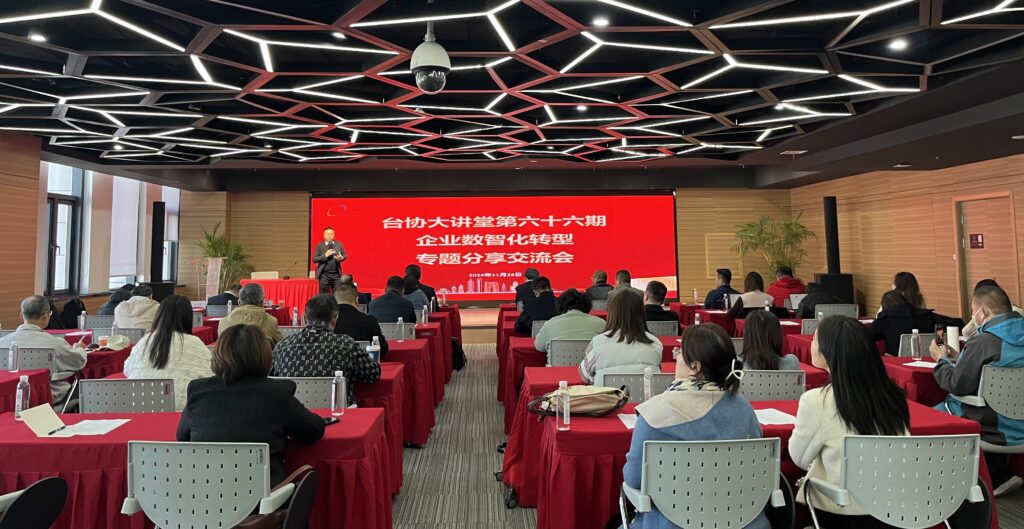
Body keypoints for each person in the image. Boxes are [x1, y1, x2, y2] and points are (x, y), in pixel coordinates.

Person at [622, 323, 767, 529]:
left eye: (680, 352)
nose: (675, 356)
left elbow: (633, 479)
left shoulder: (654, 412)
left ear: (695, 367)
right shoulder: (744, 408)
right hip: (742, 521)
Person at [790, 316, 910, 528]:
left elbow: (799, 458)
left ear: (829, 353)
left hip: (838, 513)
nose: (811, 343)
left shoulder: (816, 401)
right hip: (891, 511)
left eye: (815, 339)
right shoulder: (893, 396)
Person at [177, 324, 326, 486]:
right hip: (266, 497)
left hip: (206, 495)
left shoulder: (199, 391)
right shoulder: (277, 393)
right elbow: (313, 431)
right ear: (264, 355)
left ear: (218, 354)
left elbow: (182, 437)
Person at [930, 285, 1024, 496]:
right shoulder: (986, 343)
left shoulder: (983, 342)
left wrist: (941, 360)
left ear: (983, 312)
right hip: (1019, 424)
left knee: (932, 415)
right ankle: (1000, 474)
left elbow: (956, 384)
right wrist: (963, 359)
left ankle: (945, 486)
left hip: (994, 427)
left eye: (973, 312)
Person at [273, 295, 380, 405]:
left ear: (304, 318)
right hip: (337, 413)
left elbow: (269, 378)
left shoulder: (282, 346)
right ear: (335, 319)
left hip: (291, 413)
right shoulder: (346, 344)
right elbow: (373, 374)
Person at [124, 295, 214, 410]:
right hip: (182, 407)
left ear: (159, 315)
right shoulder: (194, 342)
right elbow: (211, 373)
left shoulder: (144, 341)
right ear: (188, 318)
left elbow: (127, 370)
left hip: (138, 404)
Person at [0, 296, 88, 404]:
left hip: (10, 399)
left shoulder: (2, 342)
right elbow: (78, 361)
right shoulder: (54, 343)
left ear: (21, 316)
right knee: (83, 390)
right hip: (49, 396)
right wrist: (79, 349)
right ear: (46, 315)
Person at [579, 290, 662, 385]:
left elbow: (585, 375)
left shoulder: (597, 342)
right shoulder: (655, 343)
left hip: (607, 394)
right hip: (645, 395)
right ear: (641, 313)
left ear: (612, 313)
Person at [869, 290, 962, 356]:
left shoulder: (884, 320)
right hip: (929, 359)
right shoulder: (925, 315)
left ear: (884, 306)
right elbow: (958, 323)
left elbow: (866, 336)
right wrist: (939, 337)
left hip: (897, 362)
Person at [533, 288, 605, 353]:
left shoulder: (550, 324)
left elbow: (539, 346)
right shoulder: (601, 323)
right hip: (592, 363)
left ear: (560, 306)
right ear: (587, 306)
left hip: (558, 363)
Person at [217, 283, 283, 346]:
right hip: (260, 354)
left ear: (239, 302)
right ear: (262, 302)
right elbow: (281, 347)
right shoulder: (271, 322)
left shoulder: (223, 323)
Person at [333, 285, 389, 357]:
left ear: (334, 302)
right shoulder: (369, 321)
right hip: (364, 362)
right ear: (357, 300)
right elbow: (382, 348)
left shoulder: (327, 323)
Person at [312, 226, 347, 294]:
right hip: (324, 275)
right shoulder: (320, 245)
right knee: (323, 295)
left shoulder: (339, 244)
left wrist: (341, 258)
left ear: (334, 235)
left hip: (336, 274)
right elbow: (314, 259)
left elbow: (345, 255)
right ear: (324, 236)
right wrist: (325, 255)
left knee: (337, 295)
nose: (329, 236)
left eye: (331, 234)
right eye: (328, 234)